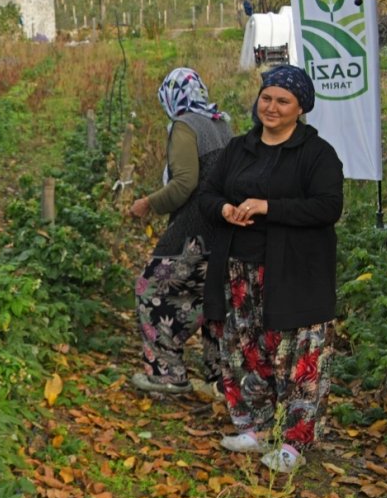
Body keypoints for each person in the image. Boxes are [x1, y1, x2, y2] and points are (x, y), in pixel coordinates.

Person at [197, 65, 343, 473]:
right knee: (249, 350)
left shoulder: (317, 154)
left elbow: (329, 207)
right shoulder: (240, 148)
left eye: (283, 101)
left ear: (300, 108)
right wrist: (224, 208)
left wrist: (268, 207)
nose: (271, 107)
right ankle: (258, 426)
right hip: (242, 271)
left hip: (296, 271)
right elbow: (207, 193)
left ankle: (295, 441)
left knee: (300, 356)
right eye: (266, 97)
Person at [128, 68, 233, 395]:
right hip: (226, 227)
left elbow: (184, 183)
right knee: (214, 296)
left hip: (195, 227)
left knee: (151, 288)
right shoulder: (221, 123)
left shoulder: (185, 126)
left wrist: (148, 203)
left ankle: (166, 374)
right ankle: (224, 380)